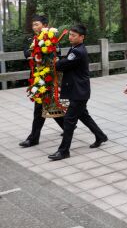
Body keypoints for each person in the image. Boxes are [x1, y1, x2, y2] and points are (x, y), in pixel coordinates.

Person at [48, 25, 108, 160]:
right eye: (69, 34)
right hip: (78, 90)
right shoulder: (75, 48)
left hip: (78, 92)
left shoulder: (78, 52)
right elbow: (65, 63)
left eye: (74, 35)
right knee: (84, 116)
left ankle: (64, 151)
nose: (70, 37)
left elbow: (62, 65)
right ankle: (100, 136)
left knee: (69, 120)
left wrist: (56, 61)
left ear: (82, 37)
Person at [19, 15, 65, 147]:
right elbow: (27, 54)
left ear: (45, 25)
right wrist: (36, 54)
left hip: (49, 78)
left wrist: (38, 54)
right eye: (33, 25)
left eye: (37, 24)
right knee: (48, 106)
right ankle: (68, 126)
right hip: (37, 77)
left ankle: (33, 138)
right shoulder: (30, 39)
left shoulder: (52, 39)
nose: (34, 27)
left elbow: (56, 55)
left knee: (40, 107)